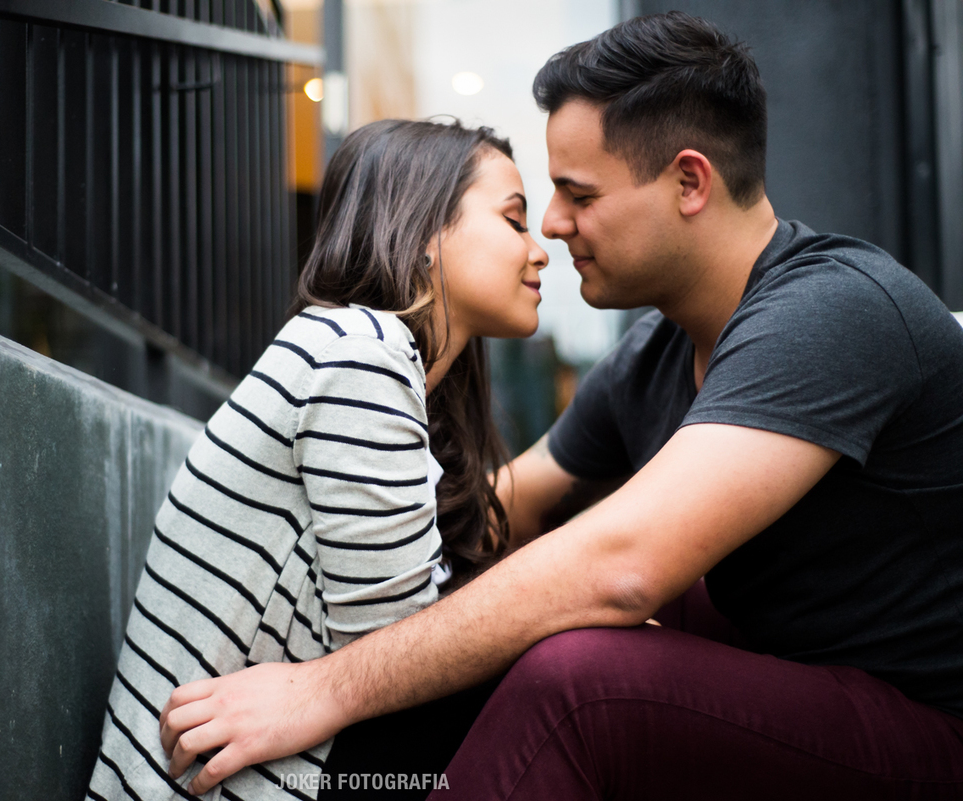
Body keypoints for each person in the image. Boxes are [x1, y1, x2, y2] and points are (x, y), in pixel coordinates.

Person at [157, 12, 963, 800]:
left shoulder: (834, 309)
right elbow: (505, 513)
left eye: (577, 194)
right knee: (561, 595)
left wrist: (324, 687)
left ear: (690, 181)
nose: (551, 224)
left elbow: (623, 566)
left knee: (582, 682)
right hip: (796, 677)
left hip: (927, 730)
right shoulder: (652, 356)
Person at [87, 118, 549, 800]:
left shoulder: (373, 363)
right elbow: (401, 660)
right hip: (221, 787)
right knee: (571, 683)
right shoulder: (359, 350)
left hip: (278, 773)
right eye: (515, 221)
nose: (541, 252)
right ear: (425, 233)